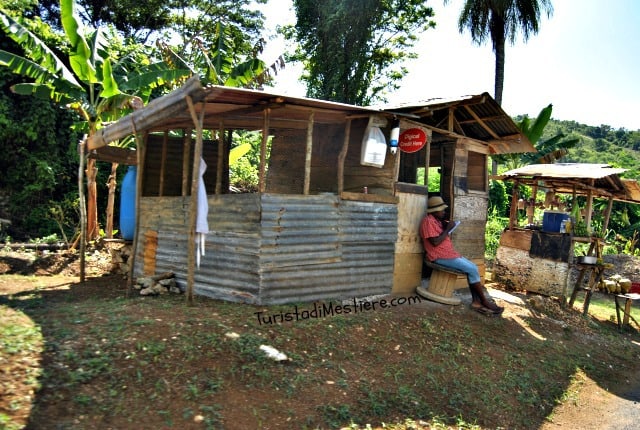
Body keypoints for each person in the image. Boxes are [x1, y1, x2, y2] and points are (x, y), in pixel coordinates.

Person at [420, 196, 504, 315]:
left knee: (472, 267)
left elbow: (439, 236)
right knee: (472, 269)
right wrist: (447, 229)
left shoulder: (436, 221)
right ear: (434, 211)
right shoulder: (428, 221)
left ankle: (476, 301)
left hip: (448, 254)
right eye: (441, 210)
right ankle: (483, 301)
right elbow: (435, 242)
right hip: (439, 256)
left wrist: (445, 226)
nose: (444, 212)